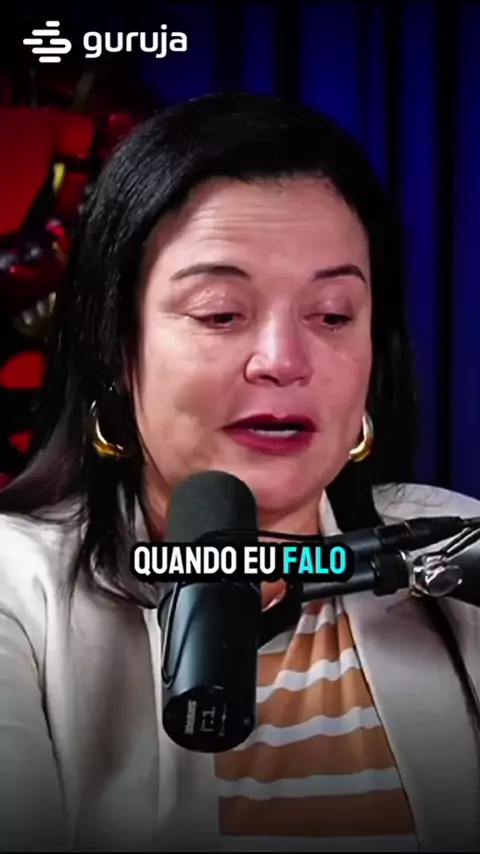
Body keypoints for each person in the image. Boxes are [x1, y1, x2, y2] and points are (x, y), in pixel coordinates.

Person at [0, 91, 479, 854]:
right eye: (221, 313)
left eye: (332, 315)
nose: (283, 362)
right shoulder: (13, 588)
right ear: (117, 351)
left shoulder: (456, 554)